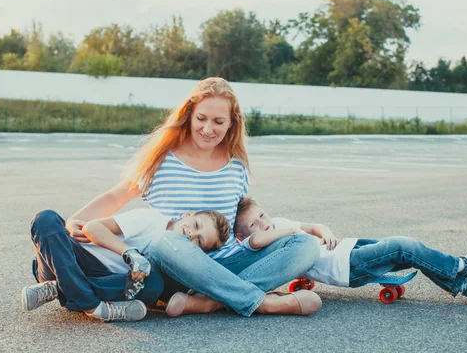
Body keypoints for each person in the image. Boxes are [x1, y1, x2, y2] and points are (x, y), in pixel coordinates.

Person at [28, 77, 322, 319]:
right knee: (167, 240)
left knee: (306, 245)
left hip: (231, 262)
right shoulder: (163, 160)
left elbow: (246, 218)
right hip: (172, 264)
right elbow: (118, 195)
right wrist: (77, 221)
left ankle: (214, 300)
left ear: (232, 123)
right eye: (202, 119)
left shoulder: (237, 166)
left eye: (219, 122)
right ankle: (262, 302)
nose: (209, 129)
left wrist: (300, 227)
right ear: (189, 116)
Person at [233, 196, 467, 305]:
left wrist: (324, 231)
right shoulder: (255, 246)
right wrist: (283, 232)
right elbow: (256, 242)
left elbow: (311, 225)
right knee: (402, 245)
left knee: (409, 253)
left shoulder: (278, 222)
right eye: (255, 224)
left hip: (349, 247)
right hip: (346, 268)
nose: (264, 224)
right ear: (240, 236)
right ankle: (464, 266)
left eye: (262, 215)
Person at [23, 208, 231, 320]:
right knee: (45, 219)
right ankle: (93, 307)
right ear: (188, 214)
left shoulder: (175, 260)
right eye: (196, 225)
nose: (191, 234)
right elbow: (93, 228)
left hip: (104, 280)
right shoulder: (151, 220)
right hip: (69, 259)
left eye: (199, 241)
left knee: (154, 285)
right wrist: (129, 252)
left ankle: (60, 290)